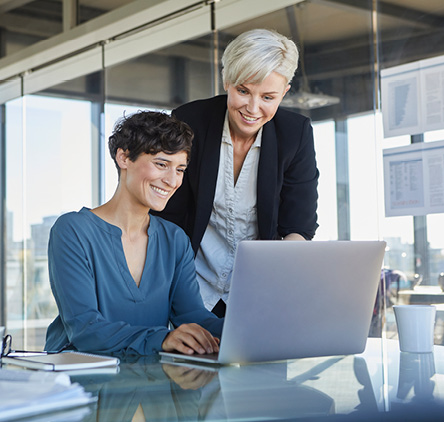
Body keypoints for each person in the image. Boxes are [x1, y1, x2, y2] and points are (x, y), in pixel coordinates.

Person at [156, 29, 319, 316]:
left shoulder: (296, 134)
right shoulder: (189, 121)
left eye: (268, 97)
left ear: (285, 92)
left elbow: (299, 226)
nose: (253, 109)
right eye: (243, 91)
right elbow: (167, 216)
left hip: (257, 291)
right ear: (227, 81)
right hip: (190, 286)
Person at [45, 111, 223, 356]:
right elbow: (85, 329)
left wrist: (246, 329)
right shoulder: (73, 231)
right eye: (161, 164)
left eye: (180, 169)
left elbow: (192, 317)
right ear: (124, 157)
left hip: (148, 384)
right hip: (79, 383)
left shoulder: (175, 239)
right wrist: (163, 338)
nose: (172, 181)